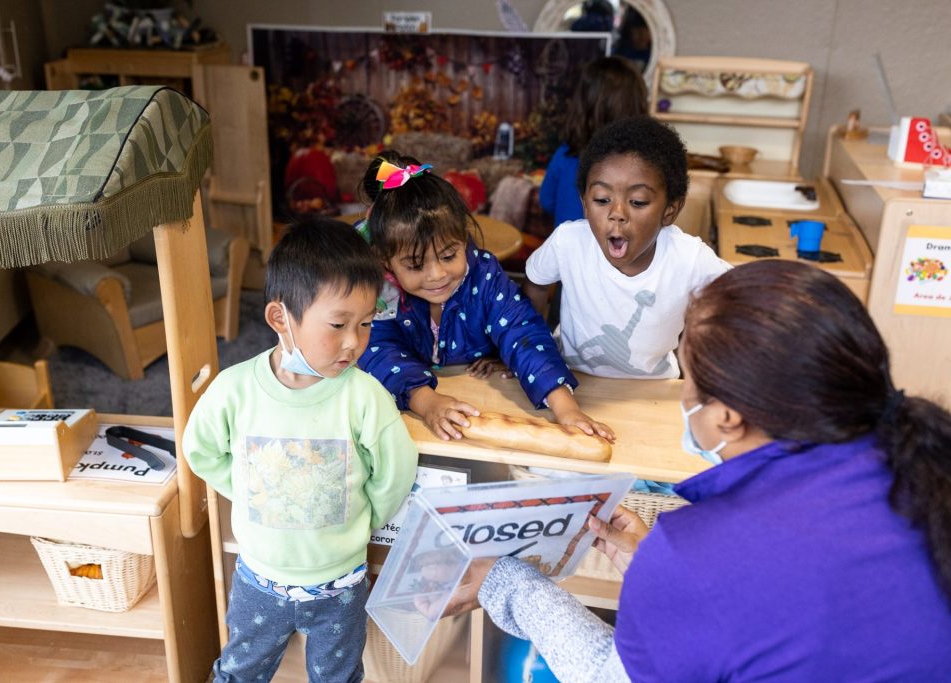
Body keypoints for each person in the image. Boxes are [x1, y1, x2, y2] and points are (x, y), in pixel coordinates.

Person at [446, 260, 951, 682]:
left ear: (727, 416)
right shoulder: (926, 469)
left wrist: (505, 580)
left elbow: (610, 675)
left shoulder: (697, 553)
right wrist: (663, 568)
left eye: (687, 383)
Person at [182, 217, 418, 682]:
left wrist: (366, 514)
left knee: (338, 676)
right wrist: (248, 489)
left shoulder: (364, 395)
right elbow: (201, 449)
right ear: (280, 318)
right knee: (239, 671)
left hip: (342, 586)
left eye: (366, 323)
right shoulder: (234, 390)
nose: (354, 342)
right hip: (258, 581)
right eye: (338, 324)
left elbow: (396, 468)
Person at [356, 152, 613, 444]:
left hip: (484, 392)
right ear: (385, 261)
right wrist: (426, 402)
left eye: (449, 255)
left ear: (463, 238)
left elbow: (522, 330)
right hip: (415, 422)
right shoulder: (376, 292)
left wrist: (565, 407)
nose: (437, 274)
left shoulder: (484, 275)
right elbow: (377, 349)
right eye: (415, 265)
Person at [525, 116, 729, 381]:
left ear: (670, 210)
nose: (617, 213)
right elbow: (536, 284)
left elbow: (744, 297)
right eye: (601, 199)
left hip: (654, 392)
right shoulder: (568, 242)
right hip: (571, 380)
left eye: (637, 201)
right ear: (585, 203)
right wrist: (528, 350)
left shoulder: (689, 259)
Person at [539, 56, 647, 231]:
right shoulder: (645, 165)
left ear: (581, 105)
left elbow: (547, 202)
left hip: (567, 256)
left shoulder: (566, 155)